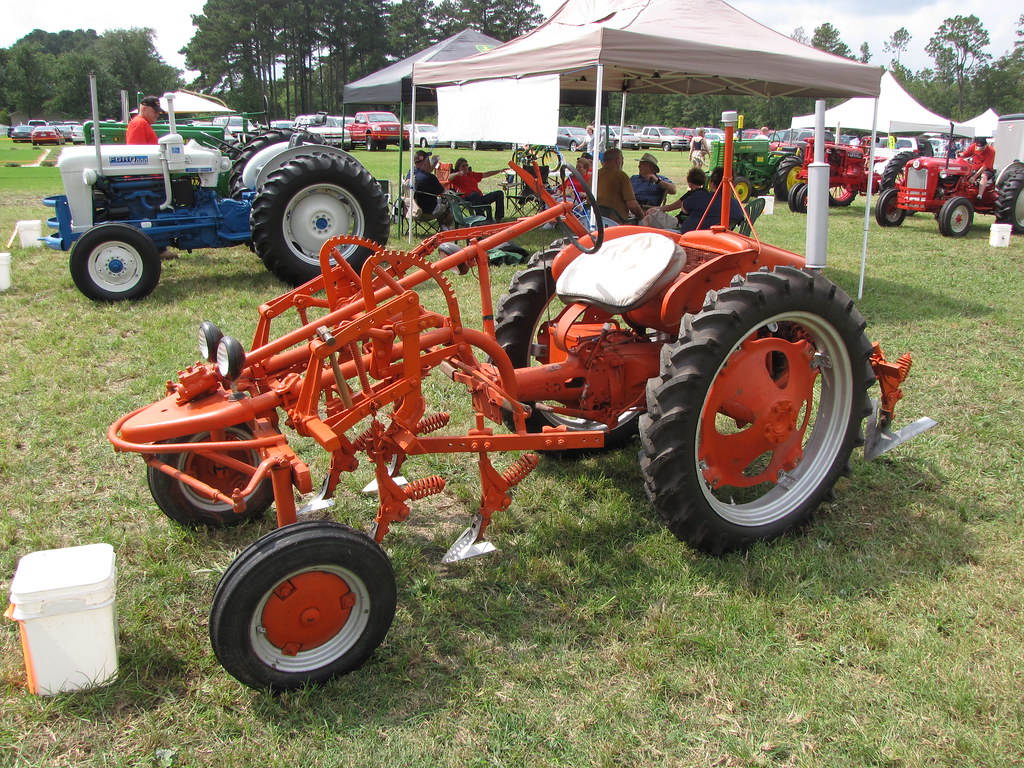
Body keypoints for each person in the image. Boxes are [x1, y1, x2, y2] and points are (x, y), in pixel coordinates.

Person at [126, 96, 177, 260]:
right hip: (143, 178)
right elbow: (138, 154)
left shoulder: (143, 124)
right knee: (149, 212)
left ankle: (160, 247)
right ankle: (158, 248)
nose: (157, 115)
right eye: (155, 112)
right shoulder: (139, 124)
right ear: (145, 108)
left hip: (148, 176)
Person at [647, 167, 743, 233]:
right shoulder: (737, 207)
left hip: (688, 239)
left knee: (654, 233)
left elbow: (684, 208)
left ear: (712, 184)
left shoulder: (699, 197)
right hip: (715, 241)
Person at [596, 147, 644, 223]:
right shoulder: (621, 176)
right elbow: (632, 205)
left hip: (594, 221)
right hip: (615, 223)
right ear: (618, 160)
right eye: (623, 159)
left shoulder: (594, 175)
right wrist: (642, 216)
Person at [411, 149, 454, 228]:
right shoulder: (430, 178)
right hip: (427, 212)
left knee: (441, 202)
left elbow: (426, 172)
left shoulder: (411, 173)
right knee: (450, 202)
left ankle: (443, 226)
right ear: (424, 161)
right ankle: (446, 227)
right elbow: (443, 193)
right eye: (428, 160)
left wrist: (434, 164)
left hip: (412, 210)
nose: (429, 162)